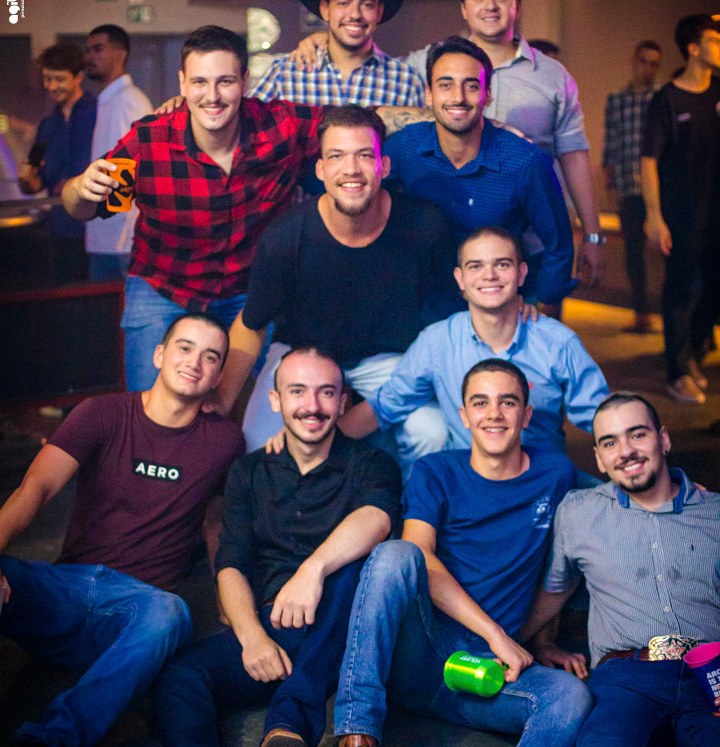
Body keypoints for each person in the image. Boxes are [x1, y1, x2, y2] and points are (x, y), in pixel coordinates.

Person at [108, 347, 401, 747]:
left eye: (327, 393)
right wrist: (252, 638)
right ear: (276, 399)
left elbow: (377, 518)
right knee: (180, 674)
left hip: (346, 633)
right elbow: (231, 562)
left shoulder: (372, 464)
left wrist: (312, 570)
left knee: (356, 570)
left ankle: (287, 728)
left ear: (343, 401)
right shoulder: (248, 472)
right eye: (298, 392)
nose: (312, 406)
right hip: (277, 627)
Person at [330, 358, 592, 747]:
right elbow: (419, 557)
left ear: (527, 414)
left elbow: (581, 546)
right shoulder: (436, 471)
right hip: (422, 655)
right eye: (481, 402)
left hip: (489, 678)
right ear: (463, 414)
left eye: (507, 402)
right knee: (396, 554)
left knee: (571, 695)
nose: (494, 413)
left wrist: (542, 639)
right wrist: (496, 633)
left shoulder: (556, 473)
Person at [0, 313, 244, 747]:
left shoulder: (224, 442)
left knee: (171, 612)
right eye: (184, 347)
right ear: (159, 354)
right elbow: (36, 489)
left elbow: (215, 524)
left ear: (219, 375)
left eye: (210, 356)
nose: (195, 362)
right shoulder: (102, 413)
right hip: (63, 592)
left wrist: (230, 600)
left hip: (138, 614)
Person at [294, 0, 604, 295]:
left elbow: (573, 153)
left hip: (525, 253)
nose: (490, 6)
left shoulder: (552, 78)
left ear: (518, 3)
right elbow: (362, 59)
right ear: (464, 8)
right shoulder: (420, 69)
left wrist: (591, 235)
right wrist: (325, 39)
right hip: (432, 269)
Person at [522, 391, 719, 747]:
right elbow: (554, 591)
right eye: (609, 442)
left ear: (663, 439)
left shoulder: (716, 513)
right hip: (627, 674)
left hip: (712, 670)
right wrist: (533, 643)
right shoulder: (579, 512)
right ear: (599, 457)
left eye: (637, 434)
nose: (625, 450)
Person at [62, 25, 326, 391]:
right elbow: (82, 209)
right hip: (163, 290)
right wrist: (79, 188)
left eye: (225, 82)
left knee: (265, 410)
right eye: (200, 82)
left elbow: (362, 124)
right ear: (183, 83)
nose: (212, 96)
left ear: (245, 82)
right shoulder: (149, 139)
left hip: (251, 295)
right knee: (155, 409)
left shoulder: (281, 126)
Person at [218, 104, 455, 475]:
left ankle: (408, 510)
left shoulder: (426, 225)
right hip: (302, 352)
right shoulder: (284, 238)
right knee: (259, 447)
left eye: (365, 155)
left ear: (384, 166)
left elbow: (452, 320)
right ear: (321, 170)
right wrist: (219, 404)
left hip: (389, 358)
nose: (351, 169)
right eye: (337, 156)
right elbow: (252, 326)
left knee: (433, 432)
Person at [338, 226, 608, 461]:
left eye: (502, 264)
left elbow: (603, 417)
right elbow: (384, 406)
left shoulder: (557, 343)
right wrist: (320, 447)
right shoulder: (438, 342)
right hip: (466, 486)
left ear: (521, 273)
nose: (489, 275)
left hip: (543, 482)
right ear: (460, 279)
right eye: (476, 266)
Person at [382, 37, 576, 307]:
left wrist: (542, 304)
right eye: (446, 85)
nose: (458, 97)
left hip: (500, 300)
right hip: (427, 300)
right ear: (429, 94)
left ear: (488, 94)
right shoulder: (405, 146)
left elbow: (558, 246)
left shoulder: (527, 161)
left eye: (471, 86)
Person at [642, 14, 720, 404]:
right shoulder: (667, 100)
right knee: (681, 292)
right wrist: (654, 216)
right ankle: (678, 371)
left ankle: (693, 356)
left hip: (717, 214)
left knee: (713, 290)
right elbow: (649, 161)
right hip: (683, 214)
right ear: (693, 48)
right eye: (714, 40)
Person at [250, 0, 425, 108]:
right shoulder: (285, 74)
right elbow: (246, 123)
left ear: (379, 12)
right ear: (325, 10)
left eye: (367, 5)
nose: (355, 14)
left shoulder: (406, 81)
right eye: (344, 3)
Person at [19, 41, 96, 282]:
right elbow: (36, 183)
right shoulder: (47, 125)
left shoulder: (100, 112)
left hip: (97, 231)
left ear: (78, 77)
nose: (51, 86)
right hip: (60, 231)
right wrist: (27, 181)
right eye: (47, 79)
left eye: (59, 79)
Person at [83, 24, 152, 280]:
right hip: (108, 236)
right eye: (88, 50)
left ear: (120, 54)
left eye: (98, 49)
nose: (90, 56)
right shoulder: (111, 99)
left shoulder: (128, 100)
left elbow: (134, 167)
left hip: (121, 239)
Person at [603, 41, 663, 333]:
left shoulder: (663, 98)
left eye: (654, 63)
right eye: (644, 61)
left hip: (662, 189)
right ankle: (641, 313)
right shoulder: (617, 100)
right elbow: (610, 145)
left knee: (670, 252)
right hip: (629, 186)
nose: (648, 68)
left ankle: (675, 315)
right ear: (634, 61)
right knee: (633, 253)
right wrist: (610, 184)